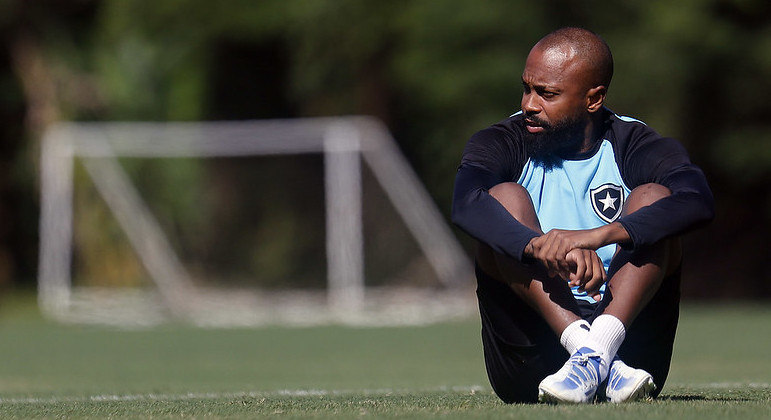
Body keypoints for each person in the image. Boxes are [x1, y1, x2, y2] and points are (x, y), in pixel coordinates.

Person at [451, 27, 714, 404]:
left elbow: (697, 201)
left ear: (594, 98)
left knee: (655, 197)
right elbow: (465, 204)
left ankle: (599, 348)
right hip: (532, 364)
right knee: (502, 198)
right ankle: (588, 351)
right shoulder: (501, 141)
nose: (529, 103)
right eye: (527, 87)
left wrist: (600, 235)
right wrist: (541, 246)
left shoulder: (634, 144)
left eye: (548, 93)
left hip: (631, 357)